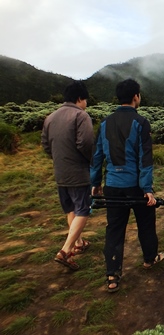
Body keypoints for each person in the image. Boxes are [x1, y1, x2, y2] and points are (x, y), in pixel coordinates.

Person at [90, 79, 164, 293]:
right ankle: (150, 259)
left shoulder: (104, 123)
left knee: (114, 229)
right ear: (135, 97)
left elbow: (97, 157)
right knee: (146, 222)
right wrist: (147, 188)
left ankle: (112, 275)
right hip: (135, 187)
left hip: (112, 185)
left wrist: (95, 183)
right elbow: (145, 159)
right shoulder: (141, 123)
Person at [41, 81, 94, 270]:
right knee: (83, 209)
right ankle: (65, 250)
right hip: (77, 171)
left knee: (70, 208)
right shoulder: (81, 115)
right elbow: (86, 143)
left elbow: (46, 146)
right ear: (80, 98)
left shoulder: (50, 118)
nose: (86, 103)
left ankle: (78, 243)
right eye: (85, 99)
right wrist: (91, 161)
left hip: (60, 172)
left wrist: (59, 159)